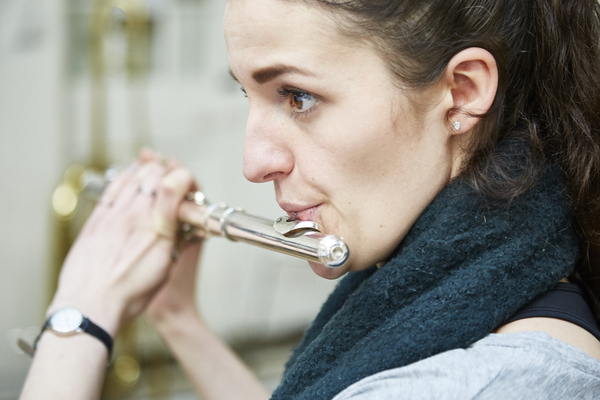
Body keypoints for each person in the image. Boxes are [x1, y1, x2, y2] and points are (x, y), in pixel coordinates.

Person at [19, 0, 600, 398]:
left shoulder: (487, 382)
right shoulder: (517, 276)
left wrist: (78, 316)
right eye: (248, 94)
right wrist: (177, 318)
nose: (254, 164)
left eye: (297, 97)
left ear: (461, 92)